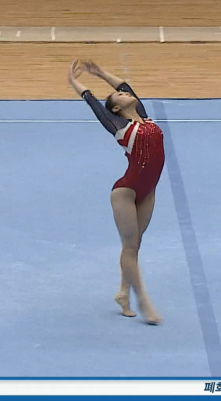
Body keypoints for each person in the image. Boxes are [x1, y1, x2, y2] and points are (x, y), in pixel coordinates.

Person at [67, 59, 164, 325]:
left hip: (149, 191)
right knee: (130, 247)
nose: (125, 93)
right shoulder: (120, 127)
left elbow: (123, 85)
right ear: (117, 109)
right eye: (120, 96)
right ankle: (143, 301)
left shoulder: (145, 118)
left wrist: (100, 72)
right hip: (126, 192)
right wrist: (75, 83)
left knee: (134, 246)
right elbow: (96, 106)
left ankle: (123, 293)